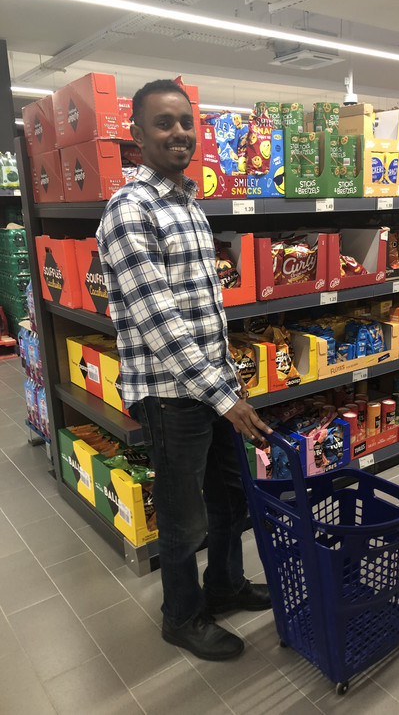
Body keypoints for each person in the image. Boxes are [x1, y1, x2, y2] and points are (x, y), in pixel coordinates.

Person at [96, 79, 273, 662]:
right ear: (137, 134)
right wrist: (226, 398)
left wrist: (227, 386)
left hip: (214, 386)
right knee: (183, 519)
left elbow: (204, 312)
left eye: (186, 122)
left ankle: (224, 585)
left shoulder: (188, 203)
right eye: (164, 123)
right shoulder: (130, 211)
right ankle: (182, 615)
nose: (179, 134)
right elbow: (161, 323)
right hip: (171, 396)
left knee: (230, 499)